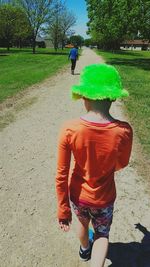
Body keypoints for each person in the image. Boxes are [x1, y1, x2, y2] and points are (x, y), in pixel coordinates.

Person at [55, 64, 133, 267]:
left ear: (83, 96)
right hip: (104, 197)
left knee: (81, 223)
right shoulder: (123, 131)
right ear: (114, 97)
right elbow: (121, 163)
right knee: (102, 233)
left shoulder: (69, 129)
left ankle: (84, 250)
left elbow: (61, 174)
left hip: (78, 195)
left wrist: (63, 209)